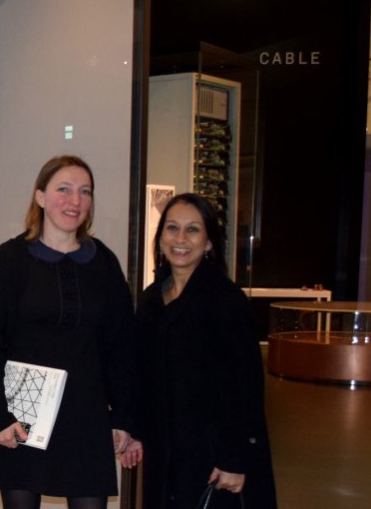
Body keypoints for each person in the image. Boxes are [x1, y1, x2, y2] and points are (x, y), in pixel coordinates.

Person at [0, 155, 141, 509]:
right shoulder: (10, 259)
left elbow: (123, 348)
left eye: (85, 191)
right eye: (63, 189)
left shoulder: (104, 263)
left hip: (86, 417)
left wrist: (124, 417)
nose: (74, 200)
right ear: (40, 197)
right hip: (21, 416)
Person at [135, 193, 277, 509]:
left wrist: (233, 458)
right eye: (172, 228)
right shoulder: (150, 300)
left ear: (209, 242)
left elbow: (246, 387)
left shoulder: (227, 301)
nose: (180, 239)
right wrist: (131, 427)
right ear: (160, 237)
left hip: (213, 455)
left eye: (193, 230)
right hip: (163, 453)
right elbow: (142, 375)